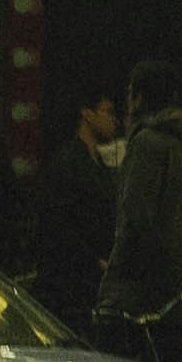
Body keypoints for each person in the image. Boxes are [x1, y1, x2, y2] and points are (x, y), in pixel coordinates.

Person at [97, 59, 182, 349]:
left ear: (137, 97)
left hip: (146, 300)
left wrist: (111, 293)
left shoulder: (148, 143)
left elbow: (134, 220)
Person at [28, 90, 123, 325]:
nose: (114, 120)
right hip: (72, 283)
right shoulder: (71, 164)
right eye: (108, 111)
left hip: (85, 278)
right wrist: (94, 261)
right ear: (87, 114)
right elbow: (59, 225)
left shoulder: (90, 162)